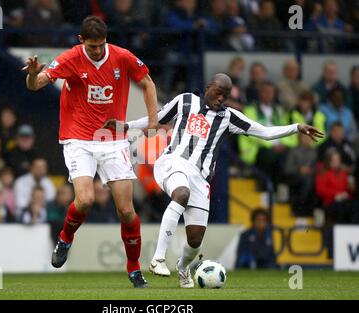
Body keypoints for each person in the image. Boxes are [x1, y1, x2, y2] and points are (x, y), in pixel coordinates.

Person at [104, 73, 323, 288]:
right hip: (173, 162)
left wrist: (296, 128)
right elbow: (155, 120)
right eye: (218, 93)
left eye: (225, 96)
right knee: (181, 194)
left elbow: (264, 132)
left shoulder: (228, 117)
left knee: (195, 238)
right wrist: (125, 126)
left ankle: (183, 267)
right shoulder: (185, 100)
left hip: (200, 178)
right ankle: (158, 259)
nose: (221, 99)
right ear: (209, 87)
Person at [22, 15, 158, 287]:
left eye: (101, 45)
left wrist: (153, 120)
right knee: (84, 200)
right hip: (78, 139)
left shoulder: (121, 56)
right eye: (92, 46)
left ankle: (134, 268)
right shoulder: (70, 58)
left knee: (126, 210)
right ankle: (65, 239)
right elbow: (36, 86)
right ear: (81, 40)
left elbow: (148, 83)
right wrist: (32, 74)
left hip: (112, 138)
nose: (98, 50)